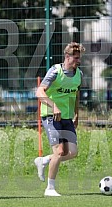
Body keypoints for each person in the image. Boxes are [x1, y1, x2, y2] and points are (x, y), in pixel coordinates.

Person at [34, 42, 85, 196]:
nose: (78, 61)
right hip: (50, 116)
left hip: (67, 117)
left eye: (79, 58)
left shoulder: (79, 75)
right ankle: (50, 188)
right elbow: (39, 92)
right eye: (75, 58)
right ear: (67, 57)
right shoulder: (55, 71)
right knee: (59, 151)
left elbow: (75, 95)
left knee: (73, 152)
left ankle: (43, 160)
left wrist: (76, 113)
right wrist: (53, 105)